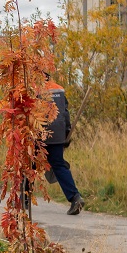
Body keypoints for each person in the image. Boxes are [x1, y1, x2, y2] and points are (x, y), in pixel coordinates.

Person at [46, 77, 84, 215]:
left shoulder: (33, 89)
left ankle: (24, 198)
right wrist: (66, 133)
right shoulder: (59, 89)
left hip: (40, 134)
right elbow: (65, 113)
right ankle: (75, 198)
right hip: (58, 134)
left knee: (29, 165)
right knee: (58, 165)